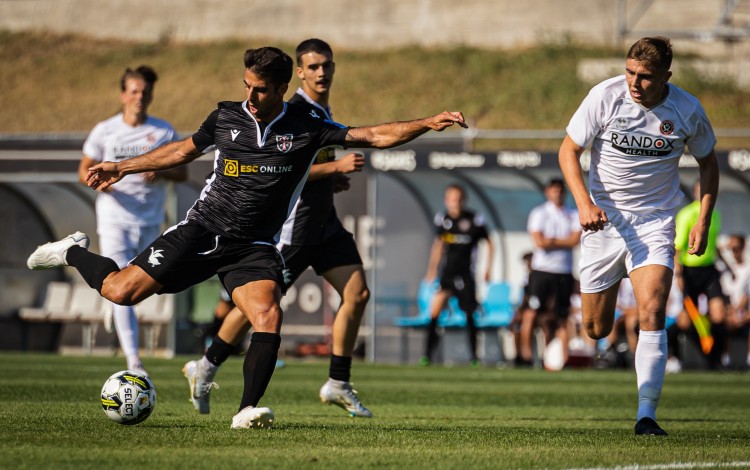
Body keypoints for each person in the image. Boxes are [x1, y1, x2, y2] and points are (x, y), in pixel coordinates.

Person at [27, 46, 467, 430]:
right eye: (246, 86)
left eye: (259, 89)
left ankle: (246, 410)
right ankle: (72, 252)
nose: (250, 96)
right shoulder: (226, 116)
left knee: (268, 314)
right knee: (120, 291)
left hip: (253, 244)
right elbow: (182, 151)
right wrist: (121, 167)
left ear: (279, 88)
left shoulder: (307, 123)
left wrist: (427, 122)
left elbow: (372, 135)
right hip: (202, 229)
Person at [182, 38, 374, 418]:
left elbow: (301, 168)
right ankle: (206, 363)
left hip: (325, 221)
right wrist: (334, 168)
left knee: (358, 294)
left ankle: (338, 381)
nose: (322, 72)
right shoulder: (293, 110)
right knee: (260, 305)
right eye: (314, 66)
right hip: (294, 226)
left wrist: (324, 179)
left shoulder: (320, 109)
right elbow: (274, 165)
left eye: (327, 65)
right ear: (298, 73)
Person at [558, 37, 719, 436]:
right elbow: (568, 151)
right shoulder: (606, 96)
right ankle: (607, 294)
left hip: (655, 221)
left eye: (645, 77)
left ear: (666, 76)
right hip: (603, 221)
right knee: (596, 329)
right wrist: (582, 203)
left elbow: (708, 164)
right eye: (630, 72)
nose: (634, 82)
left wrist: (702, 218)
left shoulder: (686, 109)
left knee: (652, 309)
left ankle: (646, 415)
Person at [78, 66, 187, 375]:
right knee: (123, 285)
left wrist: (162, 170)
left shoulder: (163, 131)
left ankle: (115, 307)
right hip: (114, 218)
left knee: (139, 284)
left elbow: (182, 171)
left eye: (145, 92)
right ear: (123, 94)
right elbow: (83, 169)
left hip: (150, 219)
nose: (140, 97)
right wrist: (102, 180)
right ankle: (134, 363)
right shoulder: (105, 130)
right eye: (135, 91)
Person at [421, 184, 494, 366]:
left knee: (470, 314)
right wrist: (432, 269)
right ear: (446, 200)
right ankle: (427, 356)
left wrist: (488, 268)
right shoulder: (443, 219)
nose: (456, 202)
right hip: (447, 273)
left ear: (464, 199)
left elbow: (490, 242)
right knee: (435, 311)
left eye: (459, 198)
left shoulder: (474, 219)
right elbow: (438, 245)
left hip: (466, 274)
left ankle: (474, 357)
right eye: (452, 198)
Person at [521, 178, 581, 367]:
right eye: (554, 191)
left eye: (560, 191)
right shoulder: (539, 213)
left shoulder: (573, 213)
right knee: (531, 313)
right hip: (541, 271)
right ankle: (525, 357)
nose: (557, 194)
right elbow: (539, 242)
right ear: (548, 192)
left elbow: (574, 241)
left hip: (563, 271)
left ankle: (563, 359)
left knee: (562, 317)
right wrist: (561, 241)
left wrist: (551, 241)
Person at [673, 180, 729, 369]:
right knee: (686, 321)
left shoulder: (716, 214)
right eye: (700, 190)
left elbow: (712, 245)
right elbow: (678, 248)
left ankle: (717, 360)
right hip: (689, 272)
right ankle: (678, 358)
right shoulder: (687, 214)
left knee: (719, 315)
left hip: (709, 270)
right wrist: (679, 275)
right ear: (696, 192)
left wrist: (728, 266)